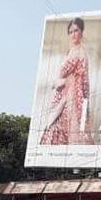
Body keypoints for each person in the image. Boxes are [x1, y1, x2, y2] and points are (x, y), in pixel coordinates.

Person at [41, 17, 91, 145]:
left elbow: (83, 81)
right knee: (52, 127)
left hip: (71, 101)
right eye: (71, 31)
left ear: (82, 32)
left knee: (62, 131)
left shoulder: (81, 53)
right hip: (61, 96)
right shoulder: (70, 51)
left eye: (76, 30)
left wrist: (64, 83)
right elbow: (62, 75)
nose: (73, 34)